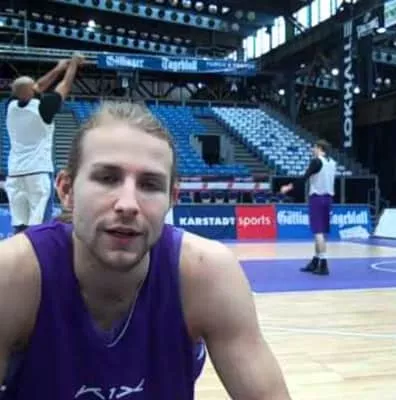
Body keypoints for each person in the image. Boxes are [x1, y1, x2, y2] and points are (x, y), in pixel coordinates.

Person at [0, 101, 291, 399]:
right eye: (107, 178)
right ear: (66, 190)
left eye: (150, 185)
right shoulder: (12, 275)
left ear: (172, 198)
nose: (128, 204)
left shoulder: (206, 273)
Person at [4, 53, 83, 234]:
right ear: (31, 91)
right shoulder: (42, 108)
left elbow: (36, 87)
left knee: (19, 227)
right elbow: (64, 86)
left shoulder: (11, 106)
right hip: (38, 172)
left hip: (15, 174)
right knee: (38, 227)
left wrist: (58, 68)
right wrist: (72, 65)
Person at [281, 139, 337, 276]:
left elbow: (304, 178)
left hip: (317, 198)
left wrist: (288, 187)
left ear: (319, 148)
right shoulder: (333, 162)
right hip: (328, 198)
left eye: (314, 147)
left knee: (318, 232)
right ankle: (316, 260)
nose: (312, 150)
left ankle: (323, 264)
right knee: (321, 232)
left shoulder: (317, 161)